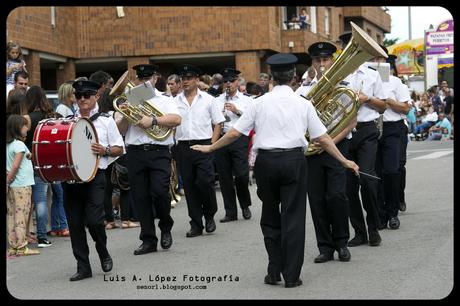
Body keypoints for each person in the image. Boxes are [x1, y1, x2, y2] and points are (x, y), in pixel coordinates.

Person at [191, 53, 359, 288]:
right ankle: (292, 276)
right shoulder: (303, 103)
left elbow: (234, 133)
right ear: (293, 78)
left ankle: (273, 271)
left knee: (270, 217)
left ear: (271, 77)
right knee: (294, 218)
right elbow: (323, 138)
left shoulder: (258, 103)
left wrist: (211, 147)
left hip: (266, 163)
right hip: (294, 161)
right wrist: (344, 161)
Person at [299, 42, 355, 263]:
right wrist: (316, 143)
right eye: (318, 61)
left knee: (337, 196)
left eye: (325, 60)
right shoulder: (302, 91)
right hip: (312, 150)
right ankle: (325, 247)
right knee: (317, 199)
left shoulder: (344, 85)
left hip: (336, 146)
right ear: (313, 63)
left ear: (332, 60)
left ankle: (342, 243)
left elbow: (350, 122)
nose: (322, 64)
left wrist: (328, 142)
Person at [116, 63, 181, 254]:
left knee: (160, 192)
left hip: (158, 151)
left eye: (148, 79)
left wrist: (153, 120)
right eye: (141, 79)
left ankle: (165, 226)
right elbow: (120, 131)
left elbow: (177, 120)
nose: (144, 83)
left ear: (155, 79)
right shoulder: (128, 100)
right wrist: (127, 114)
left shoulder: (164, 99)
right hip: (135, 152)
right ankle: (148, 240)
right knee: (141, 197)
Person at [63, 80, 124, 281]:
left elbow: (119, 148)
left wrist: (104, 150)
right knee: (75, 225)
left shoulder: (106, 121)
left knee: (95, 221)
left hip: (96, 177)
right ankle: (83, 267)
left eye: (86, 95)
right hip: (71, 179)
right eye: (78, 96)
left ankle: (103, 251)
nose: (82, 99)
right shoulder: (68, 121)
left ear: (96, 96)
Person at [339, 31, 388, 247]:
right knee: (349, 187)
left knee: (367, 180)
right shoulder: (337, 75)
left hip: (366, 130)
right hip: (343, 132)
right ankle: (359, 232)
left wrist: (367, 99)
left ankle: (373, 226)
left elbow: (383, 106)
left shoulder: (372, 75)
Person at [173, 64, 225, 238]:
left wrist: (212, 144)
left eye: (189, 78)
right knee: (189, 185)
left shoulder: (209, 99)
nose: (185, 81)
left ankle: (209, 215)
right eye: (183, 78)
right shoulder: (174, 101)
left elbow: (218, 123)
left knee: (205, 182)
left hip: (204, 144)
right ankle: (196, 223)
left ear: (196, 80)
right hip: (183, 146)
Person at [373, 51, 410, 230]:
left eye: (380, 59)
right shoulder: (366, 80)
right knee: (375, 173)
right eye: (373, 59)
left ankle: (393, 212)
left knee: (392, 170)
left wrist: (387, 101)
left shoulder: (395, 82)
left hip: (392, 128)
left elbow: (405, 108)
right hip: (371, 128)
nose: (377, 62)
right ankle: (380, 214)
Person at [214, 68, 253, 223]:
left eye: (231, 81)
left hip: (239, 138)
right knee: (224, 177)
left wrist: (237, 111)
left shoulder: (247, 100)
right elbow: (214, 120)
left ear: (237, 82)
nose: (228, 84)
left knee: (242, 175)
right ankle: (230, 211)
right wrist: (220, 116)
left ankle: (245, 205)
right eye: (226, 81)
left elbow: (251, 119)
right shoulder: (217, 100)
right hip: (222, 138)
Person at [23, 86, 55, 248]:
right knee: (42, 200)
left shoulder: (27, 118)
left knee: (26, 202)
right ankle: (42, 236)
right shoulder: (50, 117)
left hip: (27, 162)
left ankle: (23, 235)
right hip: (46, 163)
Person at [6, 115, 39, 257]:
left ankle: (13, 246)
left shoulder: (10, 144)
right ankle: (22, 246)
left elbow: (24, 157)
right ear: (19, 128)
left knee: (12, 215)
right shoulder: (19, 145)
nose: (27, 129)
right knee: (22, 215)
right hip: (22, 185)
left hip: (13, 185)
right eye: (25, 126)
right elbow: (15, 166)